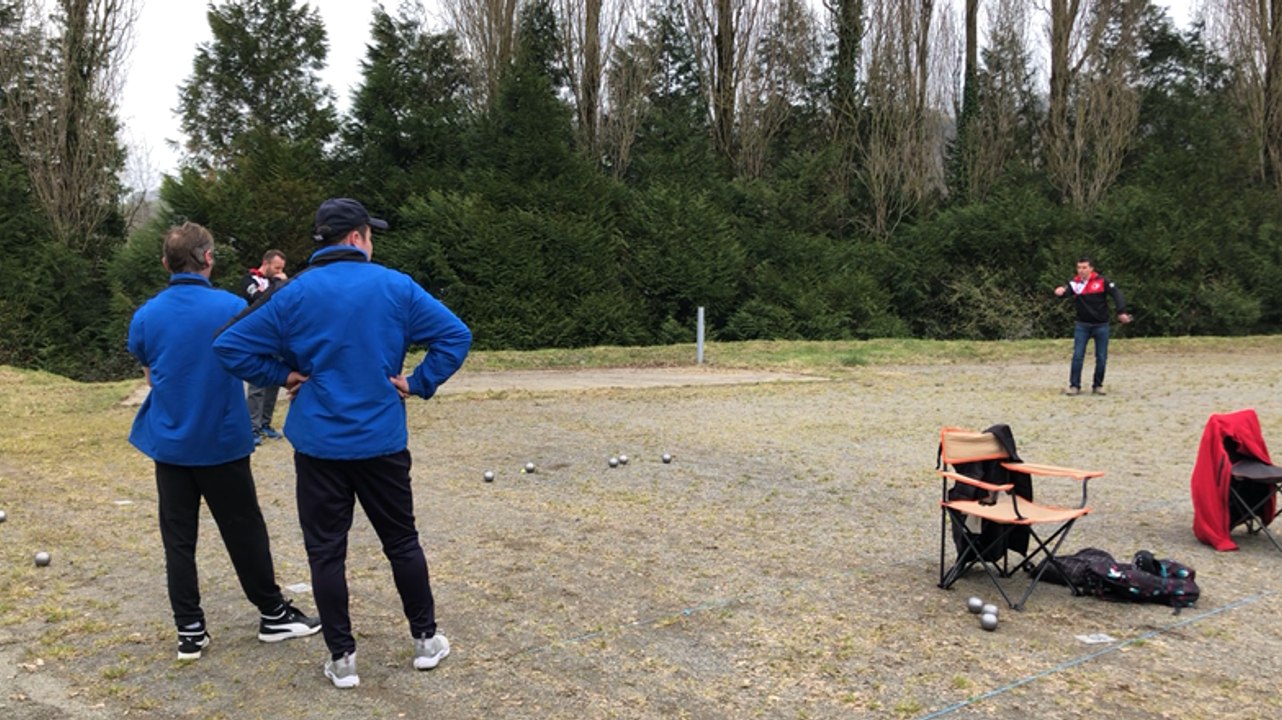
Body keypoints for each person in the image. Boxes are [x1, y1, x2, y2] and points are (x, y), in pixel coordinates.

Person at [213, 198, 472, 689]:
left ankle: (343, 658)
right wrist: (418, 382)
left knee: (326, 552)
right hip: (381, 441)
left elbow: (228, 344)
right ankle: (425, 640)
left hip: (319, 447)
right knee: (401, 542)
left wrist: (283, 374)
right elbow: (455, 335)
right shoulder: (396, 285)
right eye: (370, 234)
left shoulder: (291, 294)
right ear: (357, 238)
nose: (372, 242)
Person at [126, 222, 321, 661]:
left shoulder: (147, 315)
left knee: (178, 538)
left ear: (165, 264)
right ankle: (272, 614)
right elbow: (259, 363)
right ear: (208, 259)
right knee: (244, 529)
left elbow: (150, 371)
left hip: (171, 444)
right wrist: (290, 375)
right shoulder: (232, 307)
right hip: (220, 442)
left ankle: (190, 630)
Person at [1054, 256, 1132, 395]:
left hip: (1101, 325)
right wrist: (1060, 292)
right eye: (1079, 267)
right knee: (1078, 356)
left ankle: (1097, 385)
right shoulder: (1075, 283)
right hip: (1082, 326)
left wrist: (1121, 312)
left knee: (1101, 357)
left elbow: (1117, 294)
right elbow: (1066, 292)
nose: (1081, 271)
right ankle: (1074, 386)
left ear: (1091, 268)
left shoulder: (1102, 281)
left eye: (1084, 267)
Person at [240, 250, 289, 444]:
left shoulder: (277, 283)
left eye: (282, 269)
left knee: (274, 381)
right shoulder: (249, 280)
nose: (279, 272)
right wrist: (279, 284)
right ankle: (252, 427)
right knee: (257, 383)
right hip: (257, 337)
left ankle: (266, 423)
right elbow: (259, 299)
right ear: (266, 263)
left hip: (277, 337)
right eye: (277, 268)